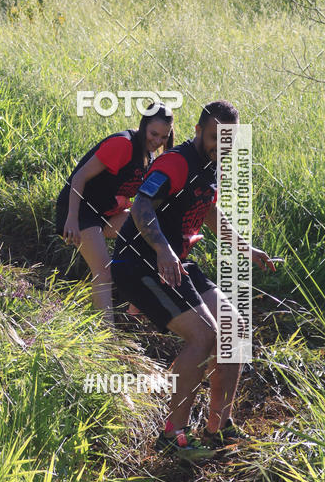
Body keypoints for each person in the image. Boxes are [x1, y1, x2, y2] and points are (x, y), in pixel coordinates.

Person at [111, 100, 278, 460]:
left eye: (228, 140)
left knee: (234, 327)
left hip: (175, 260)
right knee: (204, 337)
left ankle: (219, 425)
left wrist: (247, 249)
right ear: (198, 130)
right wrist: (164, 252)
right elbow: (141, 206)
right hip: (140, 262)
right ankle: (173, 435)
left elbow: (208, 209)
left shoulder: (209, 166)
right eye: (215, 136)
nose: (221, 145)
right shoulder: (176, 161)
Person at [56, 104, 174, 325]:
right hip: (79, 211)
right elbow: (79, 177)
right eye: (154, 134)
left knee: (150, 231)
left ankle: (135, 305)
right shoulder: (123, 144)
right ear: (143, 126)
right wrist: (71, 217)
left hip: (104, 214)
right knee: (104, 272)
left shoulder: (148, 154)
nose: (158, 141)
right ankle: (106, 338)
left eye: (164, 137)